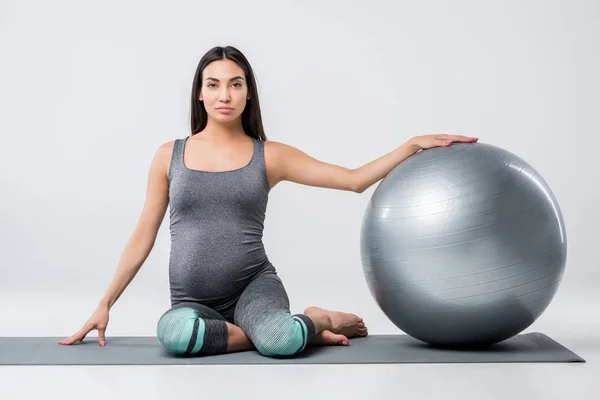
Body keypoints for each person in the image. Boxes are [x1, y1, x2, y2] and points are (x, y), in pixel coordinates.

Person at [58, 46, 478, 357]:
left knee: (279, 344)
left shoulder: (269, 156)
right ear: (200, 95)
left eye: (235, 84)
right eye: (214, 84)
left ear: (248, 95)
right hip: (192, 301)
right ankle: (287, 330)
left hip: (252, 288)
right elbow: (142, 235)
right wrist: (104, 303)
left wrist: (410, 145)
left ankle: (317, 319)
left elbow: (352, 181)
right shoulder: (169, 156)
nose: (225, 93)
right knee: (174, 335)